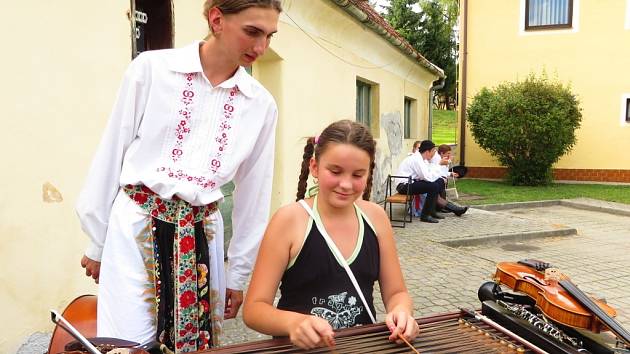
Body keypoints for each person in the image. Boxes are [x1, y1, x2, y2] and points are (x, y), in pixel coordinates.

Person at [76, 1, 281, 351]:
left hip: (202, 238)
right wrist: (98, 240)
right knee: (128, 345)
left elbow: (254, 196)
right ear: (216, 19)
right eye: (252, 32)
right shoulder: (152, 70)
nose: (261, 47)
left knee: (194, 345)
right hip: (136, 230)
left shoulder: (260, 105)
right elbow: (113, 150)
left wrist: (238, 274)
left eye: (269, 35)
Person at [242, 120, 419, 350]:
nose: (346, 184)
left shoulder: (376, 218)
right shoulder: (288, 220)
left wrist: (402, 312)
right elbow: (254, 309)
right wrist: (294, 322)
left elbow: (396, 292)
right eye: (335, 171)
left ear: (368, 173)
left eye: (357, 174)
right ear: (314, 167)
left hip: (362, 347)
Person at [394, 140, 446, 223]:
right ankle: (425, 216)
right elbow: (427, 177)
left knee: (438, 182)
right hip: (403, 186)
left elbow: (429, 171)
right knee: (433, 186)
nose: (434, 154)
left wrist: (438, 169)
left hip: (410, 183)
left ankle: (432, 211)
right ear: (427, 151)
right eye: (433, 151)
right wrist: (439, 165)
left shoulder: (422, 159)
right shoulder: (416, 159)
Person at [429, 144, 468, 216]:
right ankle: (451, 209)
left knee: (442, 193)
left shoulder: (443, 160)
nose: (449, 155)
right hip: (436, 180)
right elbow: (435, 171)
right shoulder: (437, 159)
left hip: (440, 180)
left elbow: (443, 171)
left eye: (450, 153)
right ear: (441, 153)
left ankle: (442, 208)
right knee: (439, 194)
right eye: (448, 153)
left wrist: (450, 174)